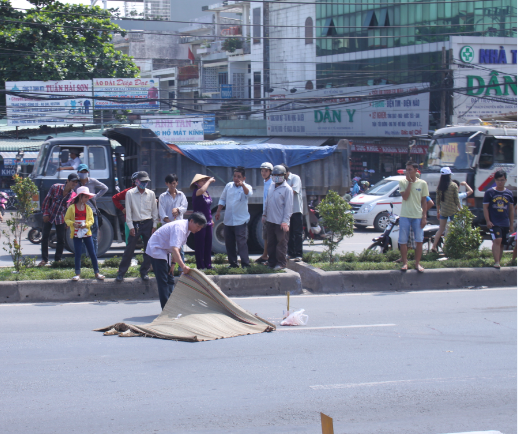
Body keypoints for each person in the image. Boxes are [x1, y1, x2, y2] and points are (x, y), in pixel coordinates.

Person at [146, 212, 207, 309]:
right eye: (198, 226)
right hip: (157, 249)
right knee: (163, 281)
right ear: (191, 221)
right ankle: (166, 309)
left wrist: (173, 265)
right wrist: (183, 267)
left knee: (170, 278)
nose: (199, 229)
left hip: (165, 250)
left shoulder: (187, 229)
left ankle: (172, 305)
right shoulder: (180, 228)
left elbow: (178, 248)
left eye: (200, 227)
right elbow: (175, 249)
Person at [116, 171, 158, 282]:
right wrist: (130, 227)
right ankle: (121, 272)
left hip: (148, 223)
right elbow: (128, 211)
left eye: (146, 182)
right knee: (129, 249)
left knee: (149, 249)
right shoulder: (130, 193)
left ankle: (144, 271)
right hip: (135, 223)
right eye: (142, 181)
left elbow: (154, 210)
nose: (144, 184)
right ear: (137, 182)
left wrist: (154, 225)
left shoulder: (151, 194)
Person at [64, 186, 105, 281]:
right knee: (78, 253)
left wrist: (86, 224)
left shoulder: (88, 208)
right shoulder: (71, 208)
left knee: (92, 253)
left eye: (88, 197)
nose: (87, 199)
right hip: (76, 233)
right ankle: (77, 273)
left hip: (87, 233)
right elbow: (67, 219)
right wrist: (73, 224)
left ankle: (97, 273)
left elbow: (91, 220)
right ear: (80, 196)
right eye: (85, 197)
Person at [215, 167, 253, 268]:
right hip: (228, 220)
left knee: (241, 243)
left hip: (240, 221)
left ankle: (245, 264)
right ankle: (233, 263)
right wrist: (218, 211)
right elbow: (222, 199)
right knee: (229, 243)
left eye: (239, 177)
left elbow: (249, 193)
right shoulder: (229, 186)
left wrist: (243, 185)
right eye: (235, 176)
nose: (236, 178)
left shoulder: (247, 186)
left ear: (244, 178)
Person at [38, 173, 80, 266]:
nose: (74, 183)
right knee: (45, 237)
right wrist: (45, 213)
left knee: (61, 239)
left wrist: (68, 222)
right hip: (49, 215)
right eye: (73, 181)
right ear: (68, 181)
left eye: (76, 182)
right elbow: (46, 200)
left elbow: (70, 209)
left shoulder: (73, 195)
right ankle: (44, 259)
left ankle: (58, 260)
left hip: (61, 218)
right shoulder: (55, 187)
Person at [398, 160, 429, 272]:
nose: (408, 172)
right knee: (403, 240)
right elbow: (405, 197)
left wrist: (424, 217)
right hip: (405, 215)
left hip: (417, 216)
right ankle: (405, 263)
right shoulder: (402, 182)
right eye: (406, 170)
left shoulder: (422, 183)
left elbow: (424, 201)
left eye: (410, 170)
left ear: (416, 171)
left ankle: (417, 263)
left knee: (419, 240)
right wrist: (410, 183)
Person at [262, 165, 293, 270]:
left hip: (280, 222)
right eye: (274, 175)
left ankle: (281, 263)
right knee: (271, 243)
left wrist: (285, 222)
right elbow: (267, 201)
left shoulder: (287, 189)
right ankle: (271, 262)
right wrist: (264, 214)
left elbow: (288, 207)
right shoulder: (271, 186)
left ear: (284, 176)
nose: (276, 177)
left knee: (281, 243)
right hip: (270, 220)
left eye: (278, 175)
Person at [483, 170, 515, 269]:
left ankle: (499, 261)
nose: (500, 182)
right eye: (498, 180)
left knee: (502, 243)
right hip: (494, 222)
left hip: (505, 222)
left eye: (502, 180)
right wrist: (488, 220)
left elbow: (511, 210)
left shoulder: (509, 193)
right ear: (495, 180)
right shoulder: (490, 192)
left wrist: (511, 224)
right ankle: (496, 262)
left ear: (505, 180)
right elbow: (485, 207)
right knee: (497, 240)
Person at [74, 164, 108, 255]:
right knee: (81, 236)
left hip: (92, 212)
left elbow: (105, 188)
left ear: (88, 172)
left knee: (93, 237)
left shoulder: (92, 181)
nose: (83, 174)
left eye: (85, 172)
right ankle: (84, 258)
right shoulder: (76, 183)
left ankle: (93, 258)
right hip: (80, 213)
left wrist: (95, 197)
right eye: (81, 172)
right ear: (78, 172)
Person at [159, 173, 188, 265]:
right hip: (167, 226)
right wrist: (169, 222)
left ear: (177, 183)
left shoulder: (181, 195)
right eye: (170, 183)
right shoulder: (162, 196)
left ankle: (181, 270)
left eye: (174, 183)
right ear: (166, 184)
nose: (172, 185)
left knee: (180, 249)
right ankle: (167, 269)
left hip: (179, 227)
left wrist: (178, 210)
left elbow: (184, 207)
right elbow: (162, 212)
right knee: (167, 248)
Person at [432, 167, 460, 252]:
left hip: (443, 211)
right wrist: (461, 209)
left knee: (441, 229)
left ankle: (433, 246)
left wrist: (438, 212)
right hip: (453, 211)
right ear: (449, 175)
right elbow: (456, 199)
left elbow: (437, 201)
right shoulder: (453, 185)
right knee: (452, 229)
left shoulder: (439, 187)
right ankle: (446, 247)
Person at [191, 174, 215, 269]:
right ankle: (200, 266)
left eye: (206, 180)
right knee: (200, 244)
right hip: (199, 223)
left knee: (208, 244)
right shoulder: (197, 192)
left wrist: (211, 219)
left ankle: (208, 264)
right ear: (197, 183)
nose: (205, 182)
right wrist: (209, 181)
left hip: (208, 222)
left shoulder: (206, 192)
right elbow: (201, 190)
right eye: (203, 181)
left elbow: (208, 208)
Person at [282, 164, 303, 262]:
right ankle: (291, 253)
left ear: (286, 172)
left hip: (296, 210)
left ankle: (299, 254)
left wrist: (285, 190)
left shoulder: (295, 178)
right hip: (287, 211)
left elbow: (293, 191)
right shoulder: (283, 181)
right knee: (288, 233)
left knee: (297, 233)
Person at [112, 172, 139, 243]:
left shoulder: (147, 193)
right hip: (129, 219)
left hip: (142, 220)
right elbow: (114, 198)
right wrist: (122, 208)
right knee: (129, 241)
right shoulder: (128, 192)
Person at [255, 162, 273, 264]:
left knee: (270, 236)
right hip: (266, 213)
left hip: (270, 213)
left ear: (270, 172)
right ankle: (265, 255)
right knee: (266, 235)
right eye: (262, 171)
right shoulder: (266, 182)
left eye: (266, 171)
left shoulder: (271, 183)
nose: (263, 173)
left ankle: (270, 257)